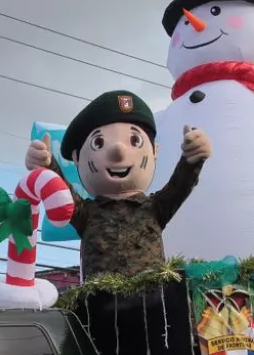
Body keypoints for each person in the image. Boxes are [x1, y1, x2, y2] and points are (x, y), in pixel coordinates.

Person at [25, 90, 211, 279]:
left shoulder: (156, 207)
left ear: (155, 150)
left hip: (152, 302)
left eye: (135, 140)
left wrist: (192, 160)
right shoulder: (86, 213)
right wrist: (48, 166)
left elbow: (180, 185)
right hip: (100, 304)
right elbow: (62, 194)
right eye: (99, 143)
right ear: (76, 158)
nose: (118, 152)